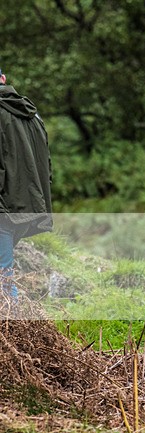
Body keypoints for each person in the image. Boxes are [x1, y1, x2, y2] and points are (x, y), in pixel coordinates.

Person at [0, 67, 54, 306]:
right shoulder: (33, 114)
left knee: (3, 278)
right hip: (29, 206)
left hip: (5, 207)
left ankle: (14, 327)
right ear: (3, 79)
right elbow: (47, 165)